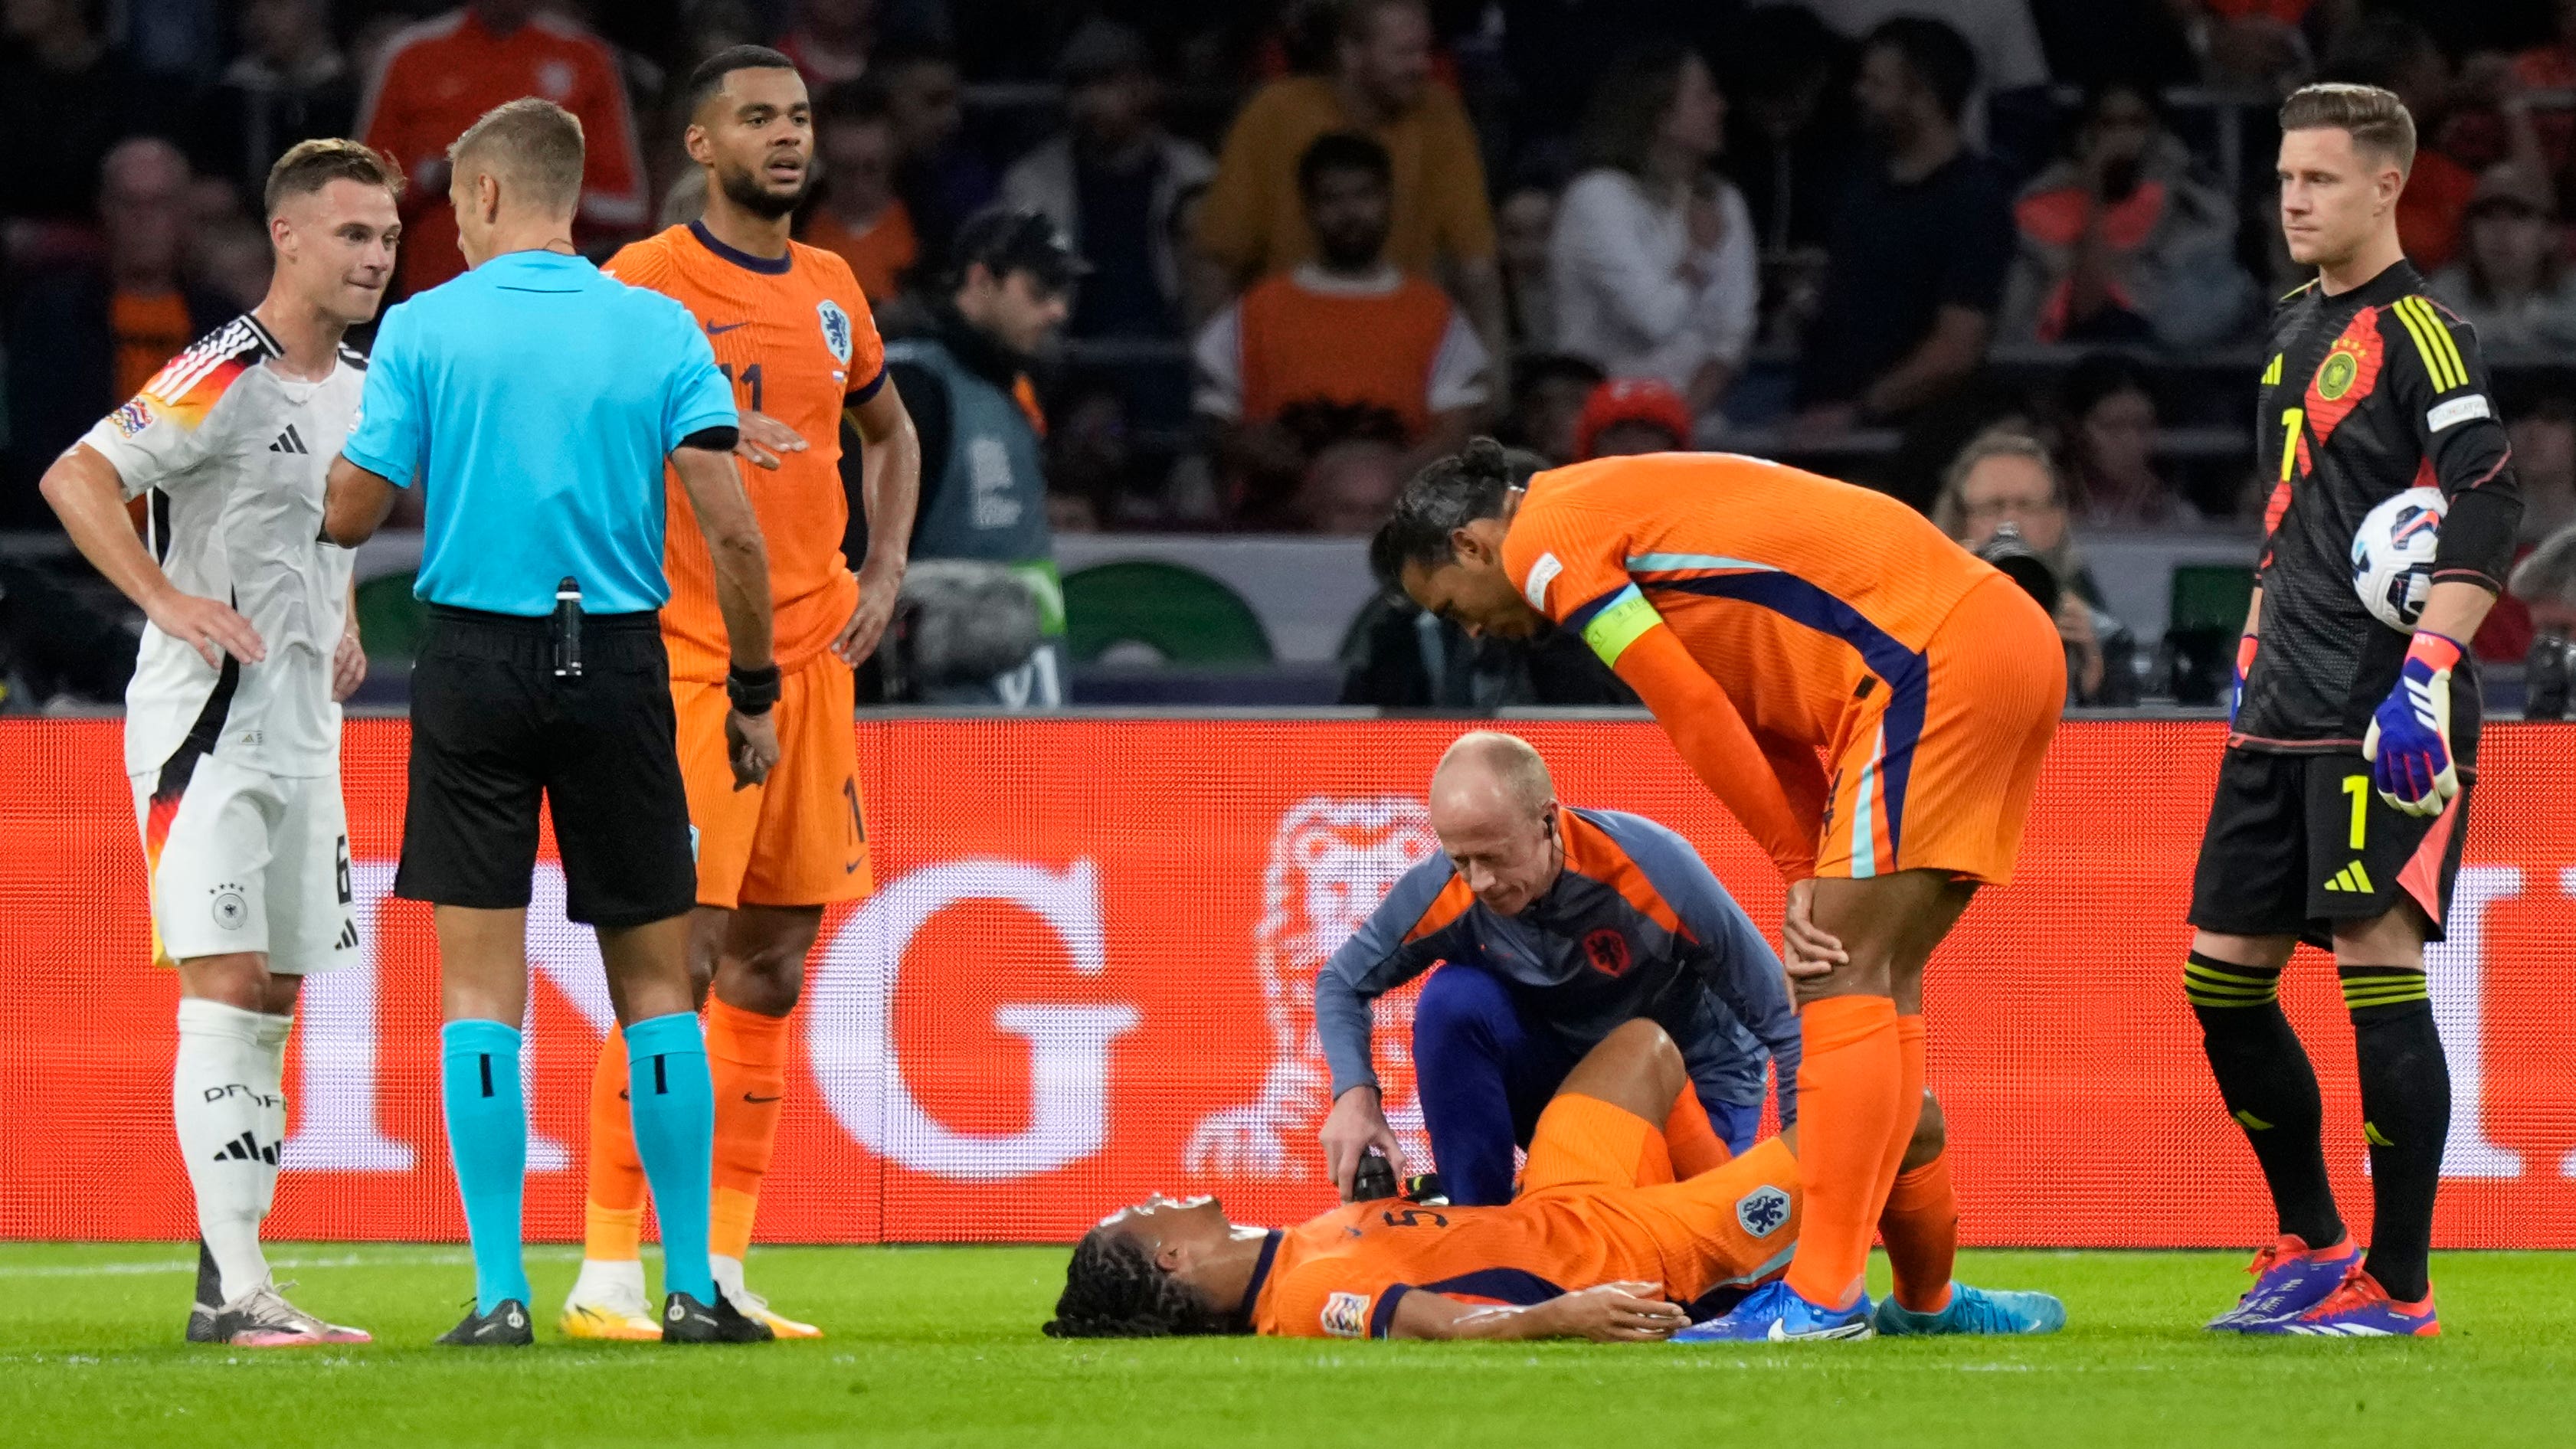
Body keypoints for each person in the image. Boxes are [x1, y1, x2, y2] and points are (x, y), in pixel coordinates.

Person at [1370, 437, 2064, 1340]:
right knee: (1879, 989)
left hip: (1927, 663)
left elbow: (1686, 706)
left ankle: (1820, 1297)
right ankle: (1926, 1302)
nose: (1468, 629)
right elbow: (1752, 715)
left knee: (1836, 979)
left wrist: (1794, 869)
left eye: (1450, 606)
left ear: (1469, 543)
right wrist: (1810, 856)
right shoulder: (1609, 508)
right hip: (1989, 647)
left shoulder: (1545, 539)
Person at [319, 97, 781, 1347]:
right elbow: (732, 530)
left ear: (477, 196)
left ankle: (496, 1295)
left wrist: (338, 469)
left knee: (479, 988)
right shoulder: (656, 325)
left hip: (473, 657)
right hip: (622, 660)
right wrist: (751, 690)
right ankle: (690, 1287)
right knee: (654, 989)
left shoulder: (424, 329)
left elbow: (354, 514)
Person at [562, 44, 922, 1343]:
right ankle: (607, 1267)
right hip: (688, 660)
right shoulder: (644, 280)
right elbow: (574, 435)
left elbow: (889, 427)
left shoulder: (832, 287)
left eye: (800, 115)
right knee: (679, 956)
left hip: (815, 655)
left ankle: (714, 1266)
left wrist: (883, 564)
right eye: (756, 117)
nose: (787, 136)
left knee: (771, 963)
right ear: (698, 145)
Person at [36, 138, 401, 1350]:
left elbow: (326, 530)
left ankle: (227, 1285)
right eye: (353, 235)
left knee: (281, 994)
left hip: (310, 733)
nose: (376, 256)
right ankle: (239, 1294)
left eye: (388, 237)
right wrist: (167, 601)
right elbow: (76, 476)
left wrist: (342, 618)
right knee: (227, 983)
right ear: (287, 238)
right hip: (205, 735)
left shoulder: (361, 383)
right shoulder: (218, 368)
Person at [2188, 83, 2522, 1338]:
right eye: (2283, 175)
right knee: (2218, 981)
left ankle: (2398, 1281)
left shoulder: (2424, 333)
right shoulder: (2289, 329)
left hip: (2381, 702)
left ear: (2386, 186)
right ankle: (2309, 1237)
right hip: (2274, 704)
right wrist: (2252, 646)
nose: (2290, 197)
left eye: (2319, 178)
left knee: (2376, 967)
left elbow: (2487, 498)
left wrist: (2427, 669)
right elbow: (2295, 521)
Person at [1047, 1019, 2060, 1340]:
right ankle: (1923, 1307)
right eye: (1139, 1217)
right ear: (1172, 1261)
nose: (1154, 1195)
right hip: (1625, 1252)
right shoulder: (1305, 1296)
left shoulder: (1294, 1251)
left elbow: (1443, 1253)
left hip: (1562, 1208)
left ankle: (1755, 1274)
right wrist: (1558, 1319)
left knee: (1639, 1048)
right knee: (1905, 1111)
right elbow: (1438, 1326)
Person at [1313, 731, 1799, 1208]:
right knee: (1452, 1000)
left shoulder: (1653, 866)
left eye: (1493, 857)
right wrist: (1354, 1092)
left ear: (1548, 820)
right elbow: (1342, 981)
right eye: (1459, 859)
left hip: (1692, 1082)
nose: (1479, 881)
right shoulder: (1445, 890)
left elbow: (1785, 1019)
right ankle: (1477, 1235)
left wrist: (1807, 1177)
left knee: (1683, 1268)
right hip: (1563, 1087)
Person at [1189, 0, 1502, 376]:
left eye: (1426, 50)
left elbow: (1475, 261)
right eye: (1405, 53)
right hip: (1290, 354)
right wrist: (1222, 377)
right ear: (1350, 52)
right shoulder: (1274, 114)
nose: (1423, 66)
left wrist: (1489, 375)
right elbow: (1218, 258)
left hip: (1403, 353)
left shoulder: (1439, 115)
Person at [877, 208, 1080, 708]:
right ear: (980, 280)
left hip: (1024, 712)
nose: (1057, 311)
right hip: (941, 727)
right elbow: (857, 567)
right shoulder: (914, 389)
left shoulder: (1012, 387)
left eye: (1061, 293)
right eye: (1039, 291)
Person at [1193, 132, 1490, 466]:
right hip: (1279, 509)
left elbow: (1454, 433)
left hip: (1399, 508)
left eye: (1365, 195)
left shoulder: (1435, 313)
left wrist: (1378, 485)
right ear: (1307, 207)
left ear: (1389, 200)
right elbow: (1218, 422)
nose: (1350, 213)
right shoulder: (1255, 310)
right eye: (1332, 199)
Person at [1790, 17, 2013, 438]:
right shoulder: (1860, 184)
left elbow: (1957, 345)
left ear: (1923, 95)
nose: (1861, 93)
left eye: (1877, 83)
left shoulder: (1974, 201)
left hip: (1906, 443)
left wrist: (1859, 412)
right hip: (1820, 427)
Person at [5, 139, 234, 525]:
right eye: (130, 204)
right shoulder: (53, 319)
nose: (144, 220)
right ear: (104, 210)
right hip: (70, 547)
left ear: (184, 214)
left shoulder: (223, 326)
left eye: (159, 204)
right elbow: (38, 442)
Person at [358, 0, 646, 295]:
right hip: (439, 303)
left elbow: (629, 207)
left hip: (547, 302)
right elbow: (363, 195)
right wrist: (434, 175)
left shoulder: (587, 59)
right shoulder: (410, 55)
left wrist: (542, 184)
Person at [1549, 41, 1756, 416]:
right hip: (1603, 421)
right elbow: (1654, 320)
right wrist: (1700, 255)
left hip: (1694, 423)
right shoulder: (1597, 198)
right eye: (1704, 96)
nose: (1721, 107)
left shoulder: (1723, 200)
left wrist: (1679, 424)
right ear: (1660, 115)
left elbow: (1733, 332)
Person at [997, 18, 1214, 342]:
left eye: (1105, 82)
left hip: (1172, 356)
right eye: (1078, 86)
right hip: (1070, 363)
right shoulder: (1032, 181)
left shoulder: (1192, 172)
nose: (1088, 101)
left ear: (1145, 87)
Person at [1999, 81, 2250, 349]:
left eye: (2137, 123)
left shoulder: (2196, 212)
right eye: (2108, 125)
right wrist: (2094, 190)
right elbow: (2087, 307)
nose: (2122, 137)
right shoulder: (2044, 206)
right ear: (2086, 135)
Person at [1931, 427, 2138, 706]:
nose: (2009, 524)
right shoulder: (1922, 617)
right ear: (1959, 522)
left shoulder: (2100, 633)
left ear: (2055, 520)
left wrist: (2093, 677)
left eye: (2026, 506)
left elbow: (2126, 738)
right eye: (1992, 507)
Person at [185, 0, 358, 212]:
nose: (261, 19)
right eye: (252, 7)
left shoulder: (350, 92)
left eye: (278, 6)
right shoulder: (228, 96)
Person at [2425, 164, 2576, 356]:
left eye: (2519, 216)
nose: (2501, 231)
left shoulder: (2572, 291)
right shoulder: (2444, 293)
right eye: (2487, 217)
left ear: (2551, 234)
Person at [804, 84, 917, 305]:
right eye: (844, 170)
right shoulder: (787, 226)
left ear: (894, 155)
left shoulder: (930, 225)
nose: (859, 185)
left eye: (872, 168)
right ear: (821, 157)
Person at [2057, 352, 2198, 528]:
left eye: (2143, 427)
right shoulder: (2040, 504)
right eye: (2113, 427)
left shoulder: (2174, 514)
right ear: (2074, 429)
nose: (2132, 443)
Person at [1574, 378, 1691, 460]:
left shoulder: (1702, 494)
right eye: (1617, 433)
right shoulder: (1561, 492)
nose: (1632, 446)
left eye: (1647, 432)